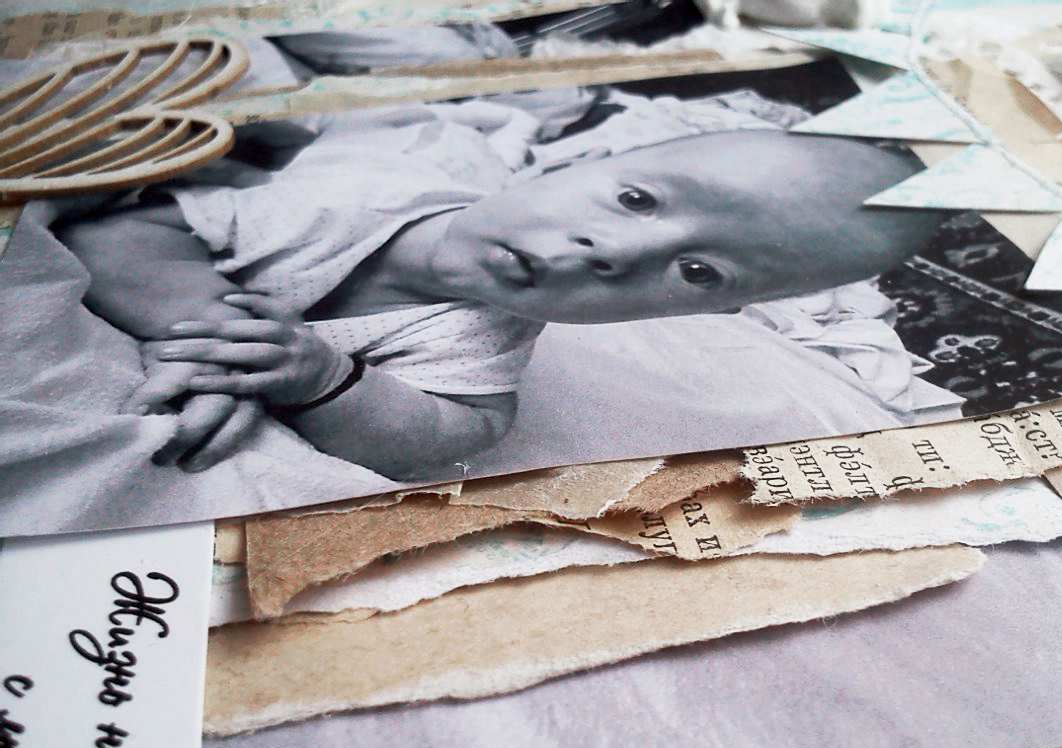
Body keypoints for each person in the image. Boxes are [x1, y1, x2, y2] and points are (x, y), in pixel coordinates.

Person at [56, 112, 943, 480]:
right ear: (582, 161)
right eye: (637, 199)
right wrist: (219, 337)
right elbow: (119, 232)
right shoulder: (345, 203)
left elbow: (447, 435)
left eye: (700, 273)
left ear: (704, 315)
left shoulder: (479, 340)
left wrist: (324, 380)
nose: (613, 251)